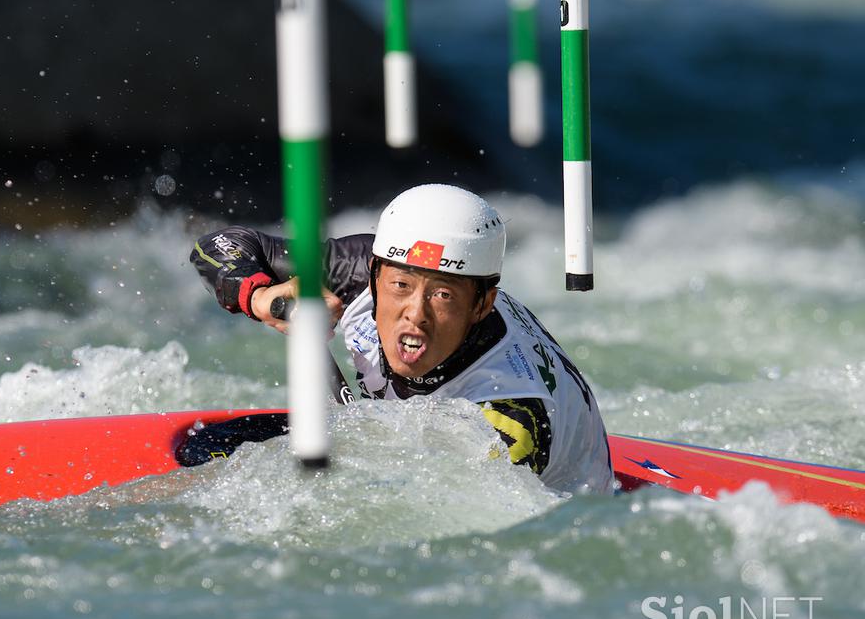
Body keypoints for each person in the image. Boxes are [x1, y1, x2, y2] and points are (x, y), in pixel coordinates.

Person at [190, 184, 612, 493]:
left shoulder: (510, 415)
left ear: (482, 304)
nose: (416, 312)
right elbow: (220, 245)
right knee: (207, 449)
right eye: (401, 287)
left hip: (560, 510)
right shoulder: (361, 271)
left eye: (443, 294)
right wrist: (263, 296)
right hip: (404, 441)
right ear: (375, 274)